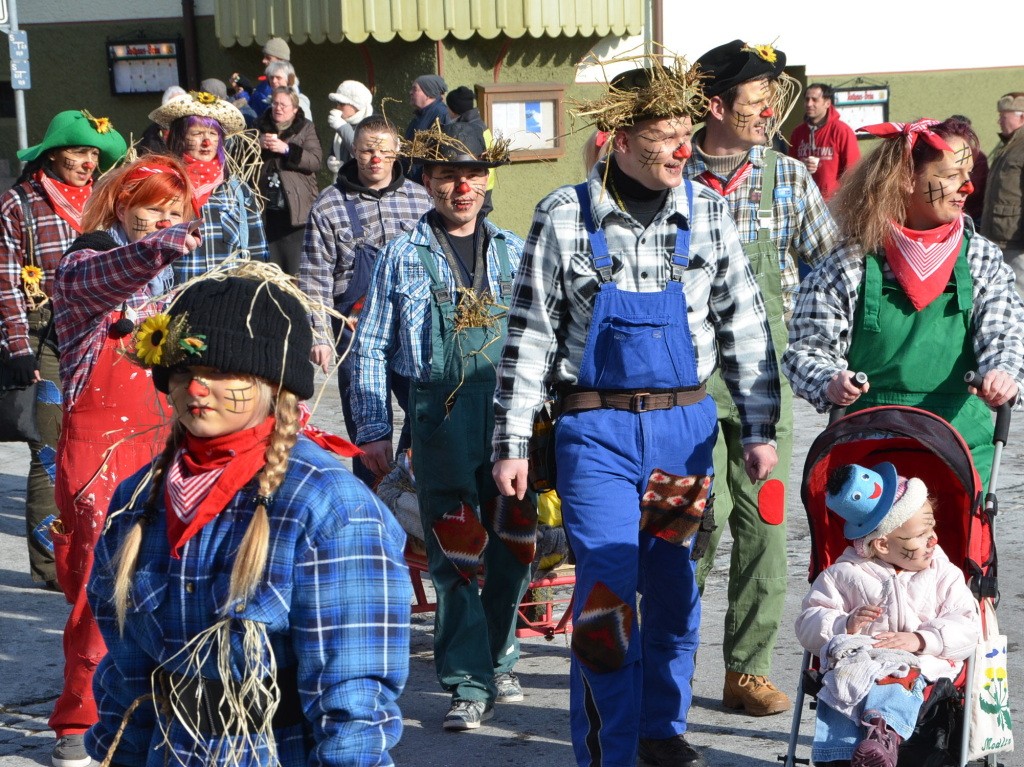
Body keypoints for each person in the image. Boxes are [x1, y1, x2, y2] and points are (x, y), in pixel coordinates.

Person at [491, 59, 781, 767]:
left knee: (675, 591)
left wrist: (760, 423)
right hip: (597, 435)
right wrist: (511, 440)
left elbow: (744, 322)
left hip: (683, 435)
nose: (682, 148)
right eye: (664, 135)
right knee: (606, 598)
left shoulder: (708, 212)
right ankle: (607, 748)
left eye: (687, 131)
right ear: (620, 137)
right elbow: (528, 332)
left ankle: (661, 729)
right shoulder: (564, 215)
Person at [80, 269, 411, 767]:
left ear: (274, 385)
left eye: (223, 372)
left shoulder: (329, 506)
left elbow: (355, 699)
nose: (197, 388)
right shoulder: (138, 500)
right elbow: (126, 678)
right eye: (184, 371)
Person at [351, 121, 533, 731]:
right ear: (427, 181)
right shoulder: (400, 254)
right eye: (450, 176)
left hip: (509, 418)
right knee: (455, 554)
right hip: (438, 418)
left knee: (512, 546)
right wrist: (374, 427)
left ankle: (501, 655)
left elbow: (540, 336)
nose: (464, 188)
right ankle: (465, 681)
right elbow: (371, 345)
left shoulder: (512, 249)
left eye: (474, 175)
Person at [684, 39, 838, 718]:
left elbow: (832, 274)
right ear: (715, 104)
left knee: (765, 528)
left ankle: (745, 670)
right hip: (680, 391)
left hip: (762, 395)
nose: (769, 109)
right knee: (689, 526)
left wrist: (824, 359)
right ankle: (665, 662)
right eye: (755, 98)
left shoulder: (787, 177)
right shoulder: (668, 174)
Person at [48, 156, 199, 767]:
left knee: (161, 581)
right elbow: (118, 271)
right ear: (120, 202)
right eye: (152, 208)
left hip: (159, 437)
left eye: (173, 211)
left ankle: (148, 712)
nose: (162, 221)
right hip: (96, 447)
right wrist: (169, 240)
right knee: (98, 586)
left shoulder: (167, 279)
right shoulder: (83, 264)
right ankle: (76, 725)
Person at [783, 116, 1024, 488]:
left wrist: (1002, 374)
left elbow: (1005, 338)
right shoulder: (852, 260)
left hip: (960, 452)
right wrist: (829, 381)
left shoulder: (981, 258)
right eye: (950, 175)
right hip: (868, 455)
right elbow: (806, 350)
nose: (967, 187)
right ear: (906, 178)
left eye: (968, 173)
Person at [0, 110, 126, 592]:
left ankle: (100, 551)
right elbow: (7, 282)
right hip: (43, 336)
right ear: (53, 153)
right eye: (77, 151)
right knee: (49, 449)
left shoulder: (103, 199)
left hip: (98, 335)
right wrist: (17, 348)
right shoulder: (19, 204)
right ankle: (52, 569)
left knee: (99, 441)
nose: (86, 162)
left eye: (93, 153)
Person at [795, 463, 980, 767]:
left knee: (896, 675)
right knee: (836, 689)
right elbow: (808, 623)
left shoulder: (944, 574)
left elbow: (967, 627)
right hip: (860, 662)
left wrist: (922, 639)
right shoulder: (843, 575)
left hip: (920, 664)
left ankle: (883, 736)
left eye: (931, 529)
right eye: (921, 535)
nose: (933, 540)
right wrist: (845, 624)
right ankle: (838, 757)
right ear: (882, 544)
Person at [302, 115, 431, 485]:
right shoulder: (329, 205)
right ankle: (372, 504)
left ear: (397, 152)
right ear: (353, 151)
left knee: (426, 418)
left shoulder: (421, 199)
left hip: (414, 331)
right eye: (367, 151)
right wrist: (320, 336)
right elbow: (314, 276)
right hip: (353, 334)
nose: (375, 159)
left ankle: (412, 497)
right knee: (368, 432)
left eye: (384, 151)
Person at [149, 90, 268, 282]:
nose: (206, 142)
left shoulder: (236, 191)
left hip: (227, 297)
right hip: (177, 297)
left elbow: (257, 250)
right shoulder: (164, 186)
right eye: (196, 134)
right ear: (181, 137)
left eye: (213, 134)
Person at [257, 87, 322, 276]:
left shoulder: (306, 127)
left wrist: (287, 150)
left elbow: (315, 161)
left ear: (294, 108)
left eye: (284, 105)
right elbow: (241, 157)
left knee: (295, 263)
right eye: (275, 103)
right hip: (266, 204)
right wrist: (257, 144)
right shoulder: (258, 126)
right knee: (270, 264)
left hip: (296, 206)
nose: (278, 108)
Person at [980, 93, 1024, 294]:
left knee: (1018, 296)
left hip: (1016, 240)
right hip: (999, 235)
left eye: (1003, 116)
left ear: (1021, 117)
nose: (998, 121)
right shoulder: (1010, 146)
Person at [788, 83, 860, 201]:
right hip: (804, 199)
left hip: (832, 201)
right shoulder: (798, 132)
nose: (809, 104)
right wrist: (802, 165)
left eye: (814, 100)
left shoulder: (841, 131)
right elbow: (790, 166)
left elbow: (852, 169)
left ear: (827, 103)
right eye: (807, 100)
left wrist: (847, 199)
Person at [446, 85, 495, 214]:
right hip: (484, 183)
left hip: (476, 185)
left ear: (454, 109)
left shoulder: (467, 131)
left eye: (448, 107)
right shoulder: (480, 125)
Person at [403, 74, 450, 185]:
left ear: (428, 93)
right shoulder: (420, 116)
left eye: (415, 89)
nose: (410, 92)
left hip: (426, 185)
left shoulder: (441, 115)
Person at [326, 80, 373, 180]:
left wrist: (342, 127)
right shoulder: (345, 122)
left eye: (342, 104)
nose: (338, 107)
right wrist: (331, 161)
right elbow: (337, 149)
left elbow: (361, 151)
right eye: (337, 103)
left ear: (356, 106)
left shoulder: (373, 124)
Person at [247, 36, 290, 118]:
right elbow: (254, 106)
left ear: (280, 60)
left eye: (268, 58)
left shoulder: (290, 90)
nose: (263, 61)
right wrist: (243, 93)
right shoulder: (265, 83)